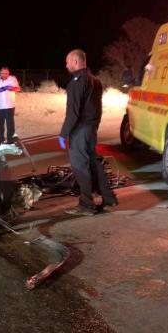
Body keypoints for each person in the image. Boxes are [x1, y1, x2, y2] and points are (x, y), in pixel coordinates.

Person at [58, 49, 118, 216]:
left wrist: (64, 134)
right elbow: (97, 109)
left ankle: (87, 204)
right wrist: (94, 127)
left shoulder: (76, 83)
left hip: (80, 131)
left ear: (76, 62)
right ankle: (106, 197)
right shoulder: (95, 81)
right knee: (93, 163)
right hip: (91, 129)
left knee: (80, 166)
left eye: (68, 61)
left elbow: (73, 113)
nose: (66, 65)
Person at [0, 67, 21, 146]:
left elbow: (18, 89)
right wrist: (2, 89)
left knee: (10, 124)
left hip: (9, 105)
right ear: (0, 73)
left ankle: (10, 140)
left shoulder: (12, 79)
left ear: (8, 73)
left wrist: (12, 88)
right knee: (0, 124)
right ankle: (1, 140)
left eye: (6, 73)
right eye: (3, 73)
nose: (5, 75)